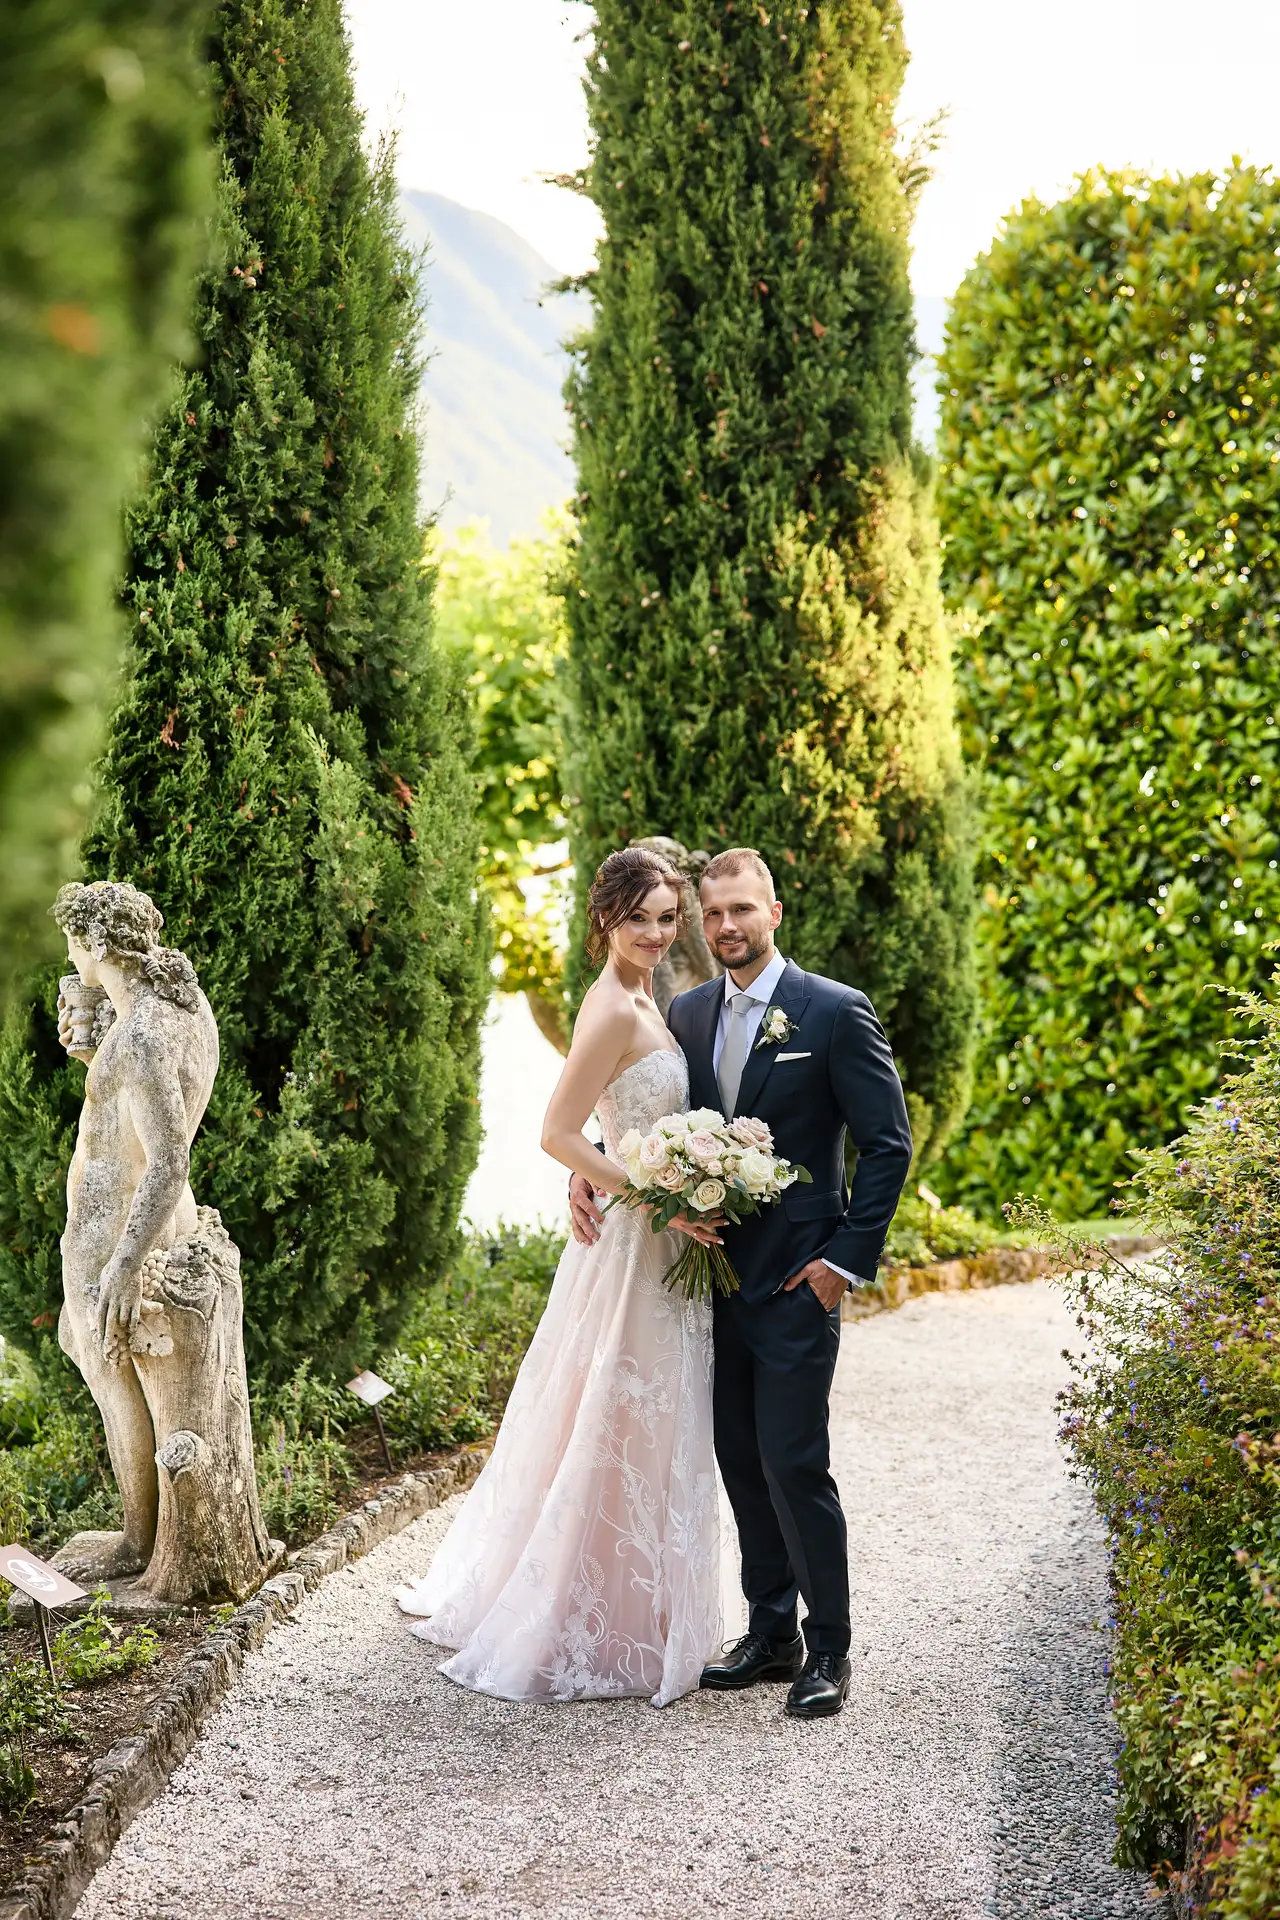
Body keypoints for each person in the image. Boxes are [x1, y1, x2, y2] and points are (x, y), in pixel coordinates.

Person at [570, 848, 912, 1719]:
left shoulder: (834, 1013)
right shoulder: (684, 1011)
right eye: (713, 913)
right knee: (737, 1460)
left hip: (799, 1283)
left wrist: (840, 1266)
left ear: (774, 912)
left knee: (796, 1462)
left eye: (741, 911)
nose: (726, 927)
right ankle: (771, 1631)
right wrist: (592, 1165)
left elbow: (887, 1146)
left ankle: (829, 1648)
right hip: (700, 1284)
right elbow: (653, 1120)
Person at [397, 847, 723, 1706]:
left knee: (637, 1414)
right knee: (616, 1410)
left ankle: (641, 1603)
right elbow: (558, 1131)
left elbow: (606, 1133)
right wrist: (657, 1195)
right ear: (604, 918)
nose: (654, 934)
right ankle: (586, 1613)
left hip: (657, 1236)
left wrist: (641, 1177)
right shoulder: (614, 1008)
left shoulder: (648, 999)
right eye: (638, 918)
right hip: (637, 1244)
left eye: (665, 919)